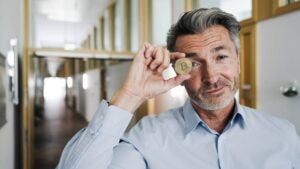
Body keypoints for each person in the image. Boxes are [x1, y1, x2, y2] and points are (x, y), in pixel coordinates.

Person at [56, 8, 300, 169]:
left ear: (237, 61)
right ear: (178, 70)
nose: (211, 76)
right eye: (193, 63)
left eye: (221, 57)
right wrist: (130, 95)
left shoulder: (283, 135)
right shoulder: (145, 139)